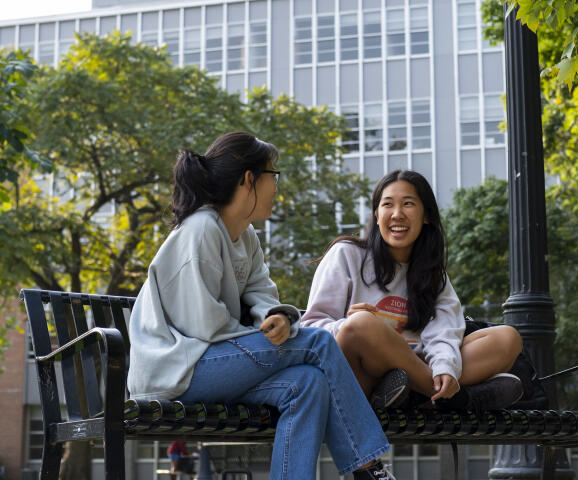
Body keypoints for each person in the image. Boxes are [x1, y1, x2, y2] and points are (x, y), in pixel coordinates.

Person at [127, 132, 395, 480]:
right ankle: (367, 468)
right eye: (273, 175)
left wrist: (279, 318)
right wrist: (272, 335)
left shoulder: (247, 236)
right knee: (318, 342)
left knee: (308, 383)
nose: (277, 187)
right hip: (178, 368)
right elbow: (203, 325)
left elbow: (262, 295)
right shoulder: (201, 230)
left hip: (214, 363)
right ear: (249, 179)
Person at [301, 169, 524, 411]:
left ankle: (418, 395)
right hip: (360, 375)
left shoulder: (432, 273)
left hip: (413, 369)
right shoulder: (347, 254)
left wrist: (444, 367)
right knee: (363, 324)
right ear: (376, 215)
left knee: (506, 338)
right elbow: (311, 327)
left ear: (426, 215)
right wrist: (347, 325)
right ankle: (451, 398)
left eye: (408, 204)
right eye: (387, 205)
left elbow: (444, 331)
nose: (397, 214)